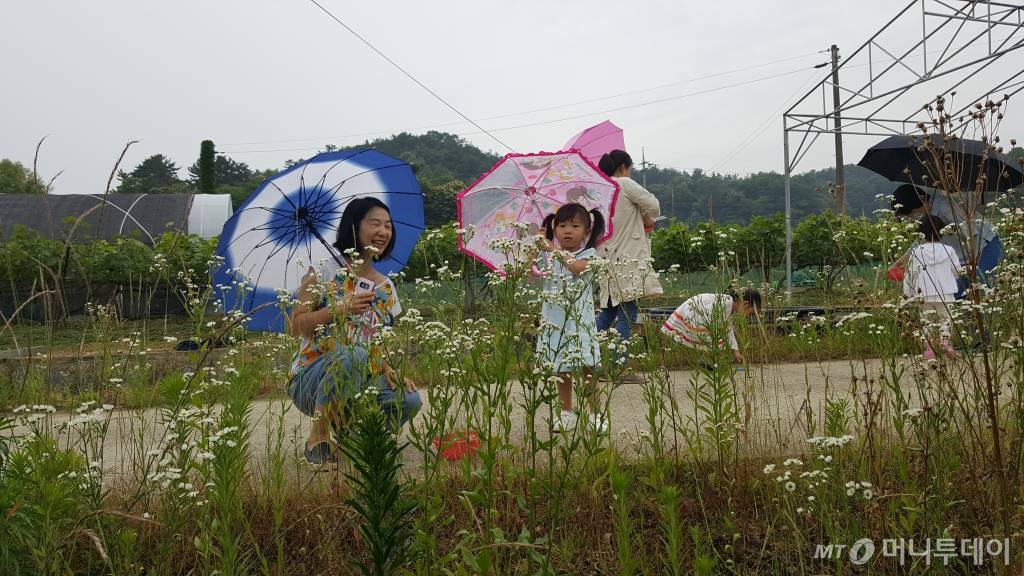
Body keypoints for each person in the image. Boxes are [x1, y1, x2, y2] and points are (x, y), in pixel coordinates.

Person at [287, 197, 422, 465]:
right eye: (375, 223)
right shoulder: (323, 272)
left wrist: (387, 368)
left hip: (360, 376)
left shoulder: (385, 288)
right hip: (311, 378)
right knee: (354, 356)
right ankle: (319, 433)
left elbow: (375, 339)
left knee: (408, 400)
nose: (383, 231)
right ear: (354, 227)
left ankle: (356, 434)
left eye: (388, 226)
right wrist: (339, 309)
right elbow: (294, 326)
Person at [533, 203, 607, 434]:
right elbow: (527, 275)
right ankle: (566, 414)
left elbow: (576, 268)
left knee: (587, 369)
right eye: (561, 225)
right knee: (560, 370)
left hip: (580, 324)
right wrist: (535, 248)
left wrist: (553, 249)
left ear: (586, 232)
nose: (567, 230)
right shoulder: (547, 256)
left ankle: (595, 414)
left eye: (575, 226)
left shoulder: (590, 255)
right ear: (553, 230)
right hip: (555, 322)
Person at [595, 150, 663, 368]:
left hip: (606, 258)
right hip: (627, 259)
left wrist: (640, 217)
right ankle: (619, 366)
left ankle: (588, 360)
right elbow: (653, 205)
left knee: (608, 311)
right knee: (627, 311)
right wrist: (646, 218)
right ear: (624, 166)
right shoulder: (623, 183)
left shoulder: (600, 189)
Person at [891, 183, 1002, 289]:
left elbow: (971, 231)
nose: (912, 218)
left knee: (982, 287)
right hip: (964, 256)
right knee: (955, 292)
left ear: (916, 204)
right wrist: (900, 261)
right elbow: (922, 239)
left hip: (985, 245)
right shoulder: (926, 215)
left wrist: (950, 230)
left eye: (911, 214)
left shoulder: (945, 207)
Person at [903, 215, 963, 360]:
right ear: (942, 231)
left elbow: (911, 274)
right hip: (946, 291)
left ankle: (929, 349)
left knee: (927, 320)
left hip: (923, 292)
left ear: (920, 232)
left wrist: (908, 293)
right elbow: (957, 272)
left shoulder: (917, 251)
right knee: (945, 319)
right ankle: (945, 343)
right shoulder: (949, 250)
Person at [661, 289, 761, 365]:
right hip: (693, 311)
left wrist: (736, 351)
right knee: (715, 340)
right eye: (750, 313)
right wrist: (714, 330)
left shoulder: (730, 307)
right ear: (745, 304)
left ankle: (708, 361)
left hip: (697, 313)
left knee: (715, 340)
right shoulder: (726, 302)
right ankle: (709, 361)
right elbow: (709, 313)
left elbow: (728, 329)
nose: (748, 316)